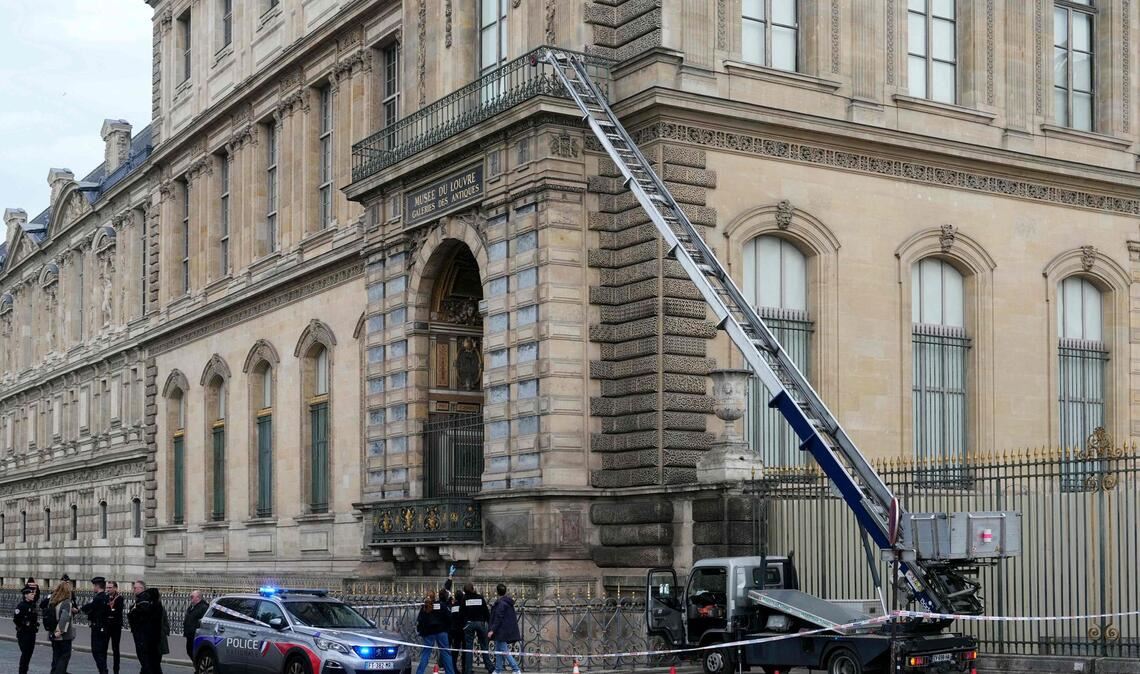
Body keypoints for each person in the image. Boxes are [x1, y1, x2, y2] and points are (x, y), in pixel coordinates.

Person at [129, 580, 166, 674]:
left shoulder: (145, 603)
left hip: (147, 638)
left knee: (149, 664)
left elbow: (141, 618)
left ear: (142, 588)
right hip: (149, 638)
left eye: (135, 588)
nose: (133, 590)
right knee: (151, 665)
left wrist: (132, 612)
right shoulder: (145, 602)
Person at [416, 591, 458, 674]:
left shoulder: (424, 607)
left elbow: (420, 621)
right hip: (441, 631)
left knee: (426, 653)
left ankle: (419, 672)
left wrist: (421, 631)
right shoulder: (441, 605)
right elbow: (449, 617)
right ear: (435, 597)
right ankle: (450, 672)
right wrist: (447, 628)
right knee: (446, 653)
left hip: (429, 633)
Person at [458, 581, 495, 674]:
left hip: (469, 623)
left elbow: (461, 613)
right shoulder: (480, 597)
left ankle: (468, 670)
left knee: (469, 648)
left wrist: (463, 625)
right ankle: (490, 668)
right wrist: (489, 624)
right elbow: (486, 612)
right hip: (480, 622)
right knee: (484, 646)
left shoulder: (464, 599)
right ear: (473, 588)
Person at [487, 584, 522, 674]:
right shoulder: (507, 602)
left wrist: (492, 630)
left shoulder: (501, 604)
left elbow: (498, 618)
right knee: (498, 650)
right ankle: (498, 669)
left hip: (501, 631)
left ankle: (516, 669)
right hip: (503, 630)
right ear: (505, 591)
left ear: (497, 592)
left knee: (504, 650)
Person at [82, 576, 112, 674]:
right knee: (102, 652)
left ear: (97, 586)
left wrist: (81, 609)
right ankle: (103, 671)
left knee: (97, 652)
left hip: (98, 628)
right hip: (105, 627)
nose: (93, 588)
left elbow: (88, 608)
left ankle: (103, 671)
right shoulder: (106, 597)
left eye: (94, 586)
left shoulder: (98, 598)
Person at [48, 580, 76, 674]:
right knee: (64, 657)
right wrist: (59, 632)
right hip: (63, 636)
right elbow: (64, 618)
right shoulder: (66, 602)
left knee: (56, 657)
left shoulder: (53, 601)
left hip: (52, 633)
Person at [13, 585, 39, 674]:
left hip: (32, 634)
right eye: (31, 594)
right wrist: (24, 625)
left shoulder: (33, 605)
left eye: (33, 594)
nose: (33, 595)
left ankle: (24, 671)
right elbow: (16, 620)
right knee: (25, 655)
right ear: (26, 595)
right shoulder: (21, 606)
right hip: (24, 634)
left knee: (28, 655)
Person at [183, 590, 208, 660]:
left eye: (192, 596)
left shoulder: (203, 607)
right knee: (189, 650)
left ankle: (198, 665)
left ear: (198, 597)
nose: (190, 598)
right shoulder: (192, 606)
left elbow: (203, 621)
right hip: (190, 634)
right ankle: (196, 664)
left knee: (194, 652)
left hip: (196, 634)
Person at [107, 581, 125, 674]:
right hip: (107, 626)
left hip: (116, 626)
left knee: (115, 649)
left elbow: (117, 611)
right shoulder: (105, 597)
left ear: (115, 588)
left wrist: (109, 612)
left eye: (110, 587)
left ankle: (116, 670)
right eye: (107, 587)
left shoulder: (119, 598)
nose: (108, 589)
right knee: (103, 648)